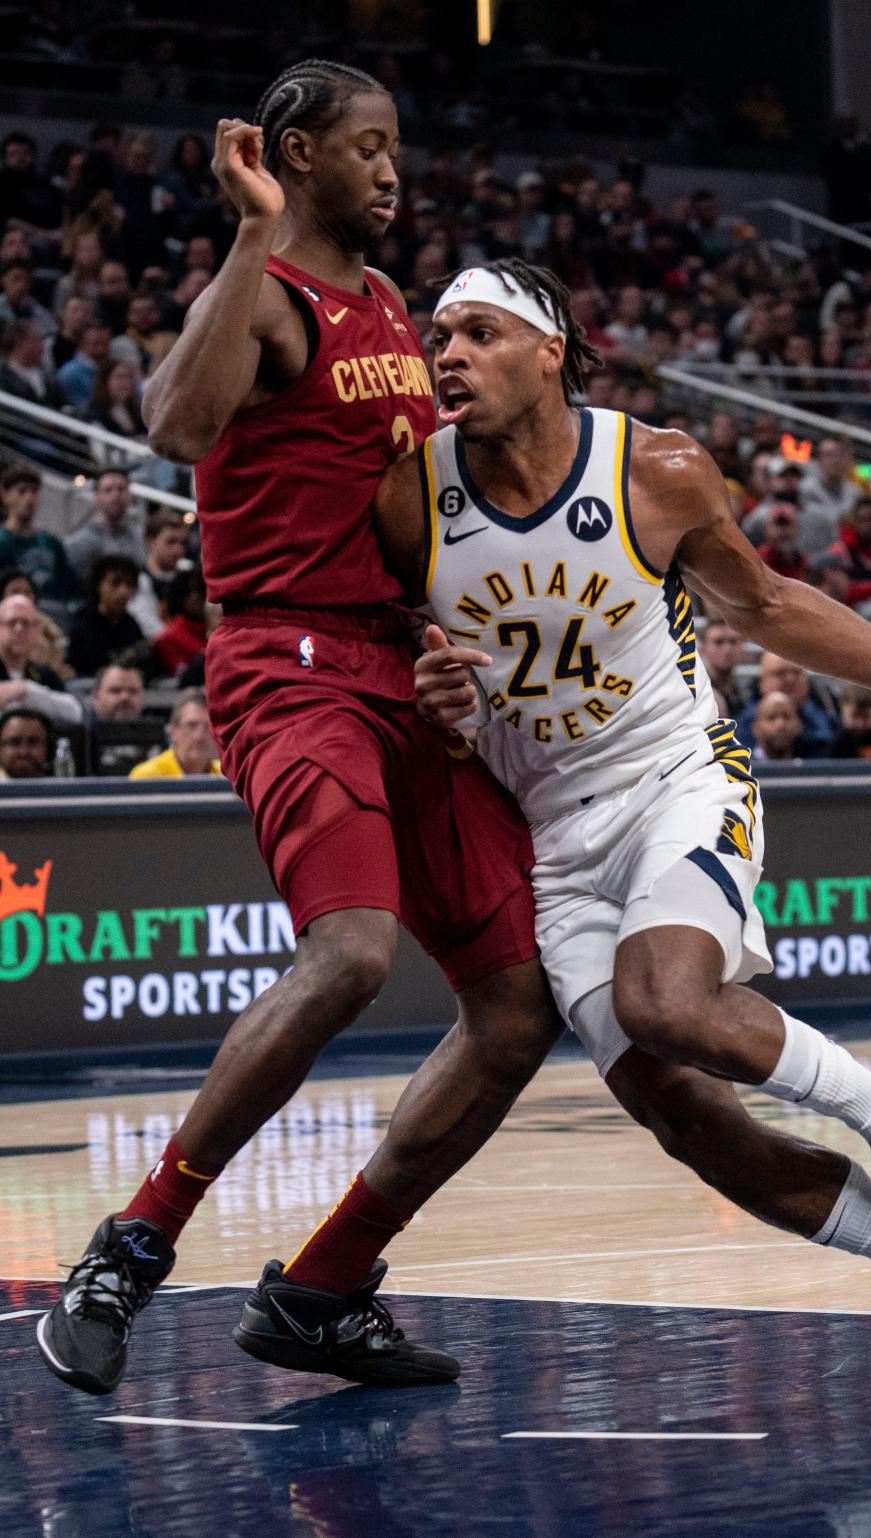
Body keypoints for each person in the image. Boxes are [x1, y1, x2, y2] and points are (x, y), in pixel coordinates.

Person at [377, 258, 871, 1384]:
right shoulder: (411, 497)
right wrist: (432, 692)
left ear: (551, 349)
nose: (448, 352)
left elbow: (768, 603)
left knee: (666, 1000)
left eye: (479, 331)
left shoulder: (657, 469)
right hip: (550, 828)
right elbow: (404, 648)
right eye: (437, 333)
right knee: (696, 1125)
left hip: (678, 775)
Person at [37, 59, 563, 1400]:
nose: (392, 169)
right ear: (295, 153)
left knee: (517, 1006)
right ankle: (128, 1247)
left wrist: (453, 645)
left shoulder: (390, 303)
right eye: (369, 147)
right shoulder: (267, 296)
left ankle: (325, 1285)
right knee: (347, 958)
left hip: (399, 670)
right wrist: (249, 226)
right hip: (288, 662)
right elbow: (168, 423)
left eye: (397, 146)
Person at [0, 465, 76, 619]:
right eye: (22, 491)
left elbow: (68, 588)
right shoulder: (2, 541)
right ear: (5, 495)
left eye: (34, 491)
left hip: (55, 615)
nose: (29, 498)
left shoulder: (52, 543)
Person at [0, 592, 82, 731]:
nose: (19, 629)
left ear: (36, 630)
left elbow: (74, 712)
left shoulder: (44, 674)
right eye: (12, 622)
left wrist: (25, 689)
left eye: (26, 623)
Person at [66, 554, 145, 677]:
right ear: (98, 585)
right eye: (115, 583)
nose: (123, 591)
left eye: (130, 584)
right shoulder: (82, 623)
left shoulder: (132, 625)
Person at [64, 469, 145, 587]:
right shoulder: (80, 542)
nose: (116, 495)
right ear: (96, 496)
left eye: (121, 489)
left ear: (129, 495)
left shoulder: (138, 538)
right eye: (108, 490)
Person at [129, 688, 221, 778]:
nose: (199, 736)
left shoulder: (224, 776)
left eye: (208, 727)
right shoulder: (146, 777)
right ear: (173, 731)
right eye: (191, 726)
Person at [129, 508, 191, 638]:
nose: (178, 550)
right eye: (171, 542)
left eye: (183, 543)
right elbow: (151, 629)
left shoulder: (188, 580)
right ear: (151, 542)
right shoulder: (138, 581)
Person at [825, 684, 871, 760]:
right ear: (842, 707)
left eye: (866, 717)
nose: (860, 723)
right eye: (854, 715)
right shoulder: (833, 737)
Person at [0, 705, 51, 779]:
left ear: (48, 749)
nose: (23, 752)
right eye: (15, 742)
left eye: (33, 742)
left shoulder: (63, 789)